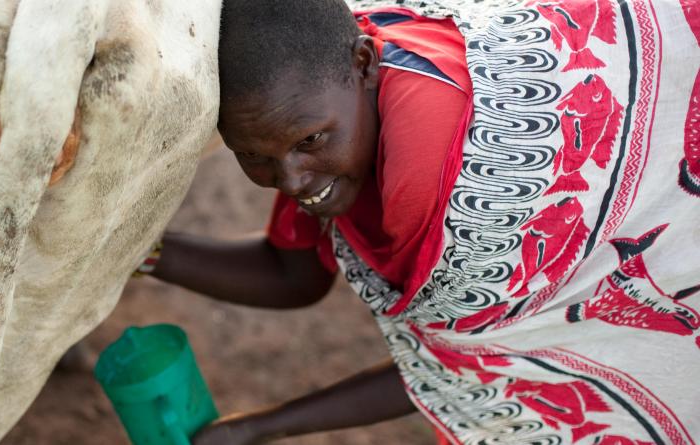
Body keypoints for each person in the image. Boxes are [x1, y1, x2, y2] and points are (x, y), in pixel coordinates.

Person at [137, 0, 700, 444]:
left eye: (308, 143)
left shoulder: (472, 212)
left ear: (366, 64)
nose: (291, 181)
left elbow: (478, 370)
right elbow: (295, 274)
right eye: (252, 157)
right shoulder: (317, 102)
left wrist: (258, 426)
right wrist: (138, 252)